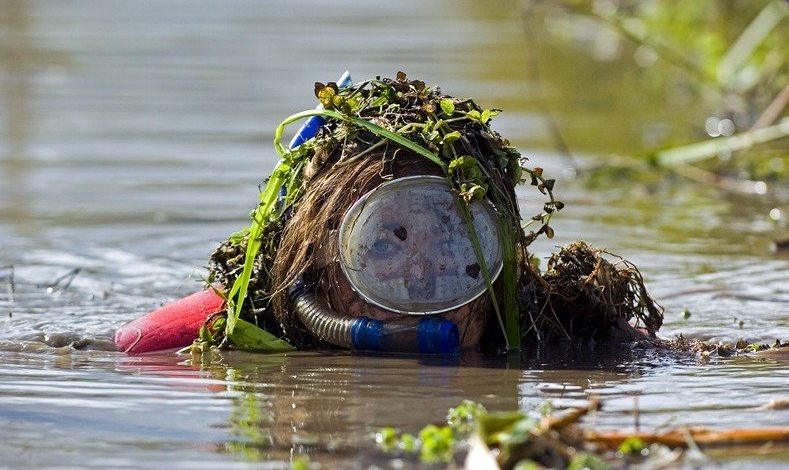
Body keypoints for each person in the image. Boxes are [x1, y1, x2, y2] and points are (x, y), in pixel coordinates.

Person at [116, 73, 662, 355]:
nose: (423, 280)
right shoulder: (226, 335)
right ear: (314, 265)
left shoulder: (554, 331)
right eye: (382, 246)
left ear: (500, 267)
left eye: (455, 246)